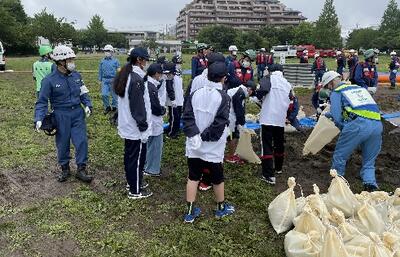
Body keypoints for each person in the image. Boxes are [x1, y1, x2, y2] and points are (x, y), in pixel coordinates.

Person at [182, 62, 234, 223]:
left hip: (194, 145)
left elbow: (187, 116)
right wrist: (203, 137)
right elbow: (219, 124)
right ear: (224, 78)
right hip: (213, 147)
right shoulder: (224, 97)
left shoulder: (195, 93)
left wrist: (194, 135)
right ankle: (220, 208)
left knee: (193, 177)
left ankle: (190, 212)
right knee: (217, 177)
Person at [34, 45, 93, 183]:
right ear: (61, 62)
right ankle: (65, 168)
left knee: (82, 141)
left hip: (78, 114)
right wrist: (39, 118)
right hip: (61, 115)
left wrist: (88, 104)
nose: (73, 62)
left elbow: (83, 92)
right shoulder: (49, 80)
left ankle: (81, 169)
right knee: (63, 143)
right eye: (70, 60)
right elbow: (42, 101)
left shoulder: (77, 76)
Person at [322, 71, 383, 192]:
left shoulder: (337, 92)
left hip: (358, 125)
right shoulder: (359, 88)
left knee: (340, 156)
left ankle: (337, 186)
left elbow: (337, 116)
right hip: (377, 124)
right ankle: (370, 184)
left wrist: (341, 126)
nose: (329, 88)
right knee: (369, 160)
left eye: (328, 85)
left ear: (333, 81)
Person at [114, 48, 153, 199]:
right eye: (145, 60)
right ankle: (135, 190)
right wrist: (143, 125)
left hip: (128, 124)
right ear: (139, 60)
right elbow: (138, 106)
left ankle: (133, 182)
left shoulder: (126, 74)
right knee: (137, 158)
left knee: (130, 156)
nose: (146, 63)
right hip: (135, 127)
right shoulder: (136, 79)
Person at [185, 52, 226, 191]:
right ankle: (207, 181)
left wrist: (192, 131)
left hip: (196, 125)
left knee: (196, 159)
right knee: (212, 159)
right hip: (209, 127)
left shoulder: (197, 79)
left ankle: (199, 179)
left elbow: (188, 104)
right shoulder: (217, 86)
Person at [255, 64, 291, 185]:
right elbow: (291, 99)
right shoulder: (287, 83)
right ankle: (279, 168)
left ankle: (269, 175)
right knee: (279, 144)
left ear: (270, 71)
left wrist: (258, 98)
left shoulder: (267, 79)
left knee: (267, 146)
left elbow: (262, 91)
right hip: (280, 119)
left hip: (267, 118)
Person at [225, 80, 257, 164]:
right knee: (232, 136)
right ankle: (230, 156)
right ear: (249, 89)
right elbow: (238, 110)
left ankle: (232, 154)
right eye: (251, 92)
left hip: (231, 115)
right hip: (230, 117)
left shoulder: (239, 91)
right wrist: (242, 123)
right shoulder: (240, 93)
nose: (250, 94)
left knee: (235, 134)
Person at [144, 63, 166, 177]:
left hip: (150, 120)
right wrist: (163, 110)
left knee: (149, 145)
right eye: (160, 74)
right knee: (155, 146)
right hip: (154, 120)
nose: (161, 77)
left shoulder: (148, 83)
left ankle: (147, 166)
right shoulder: (151, 86)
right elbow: (155, 107)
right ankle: (152, 169)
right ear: (156, 74)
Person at [164, 61, 184, 139]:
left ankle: (175, 130)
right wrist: (172, 99)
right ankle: (171, 133)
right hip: (173, 101)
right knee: (173, 118)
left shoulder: (177, 75)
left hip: (179, 100)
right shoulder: (170, 77)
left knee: (177, 117)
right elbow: (170, 88)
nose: (179, 65)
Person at [99, 44, 120, 114]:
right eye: (105, 51)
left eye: (108, 51)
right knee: (104, 94)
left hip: (113, 80)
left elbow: (119, 70)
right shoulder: (102, 61)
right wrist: (100, 79)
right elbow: (100, 71)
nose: (107, 52)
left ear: (112, 52)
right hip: (105, 80)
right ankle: (107, 107)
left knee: (114, 95)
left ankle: (114, 107)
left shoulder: (116, 61)